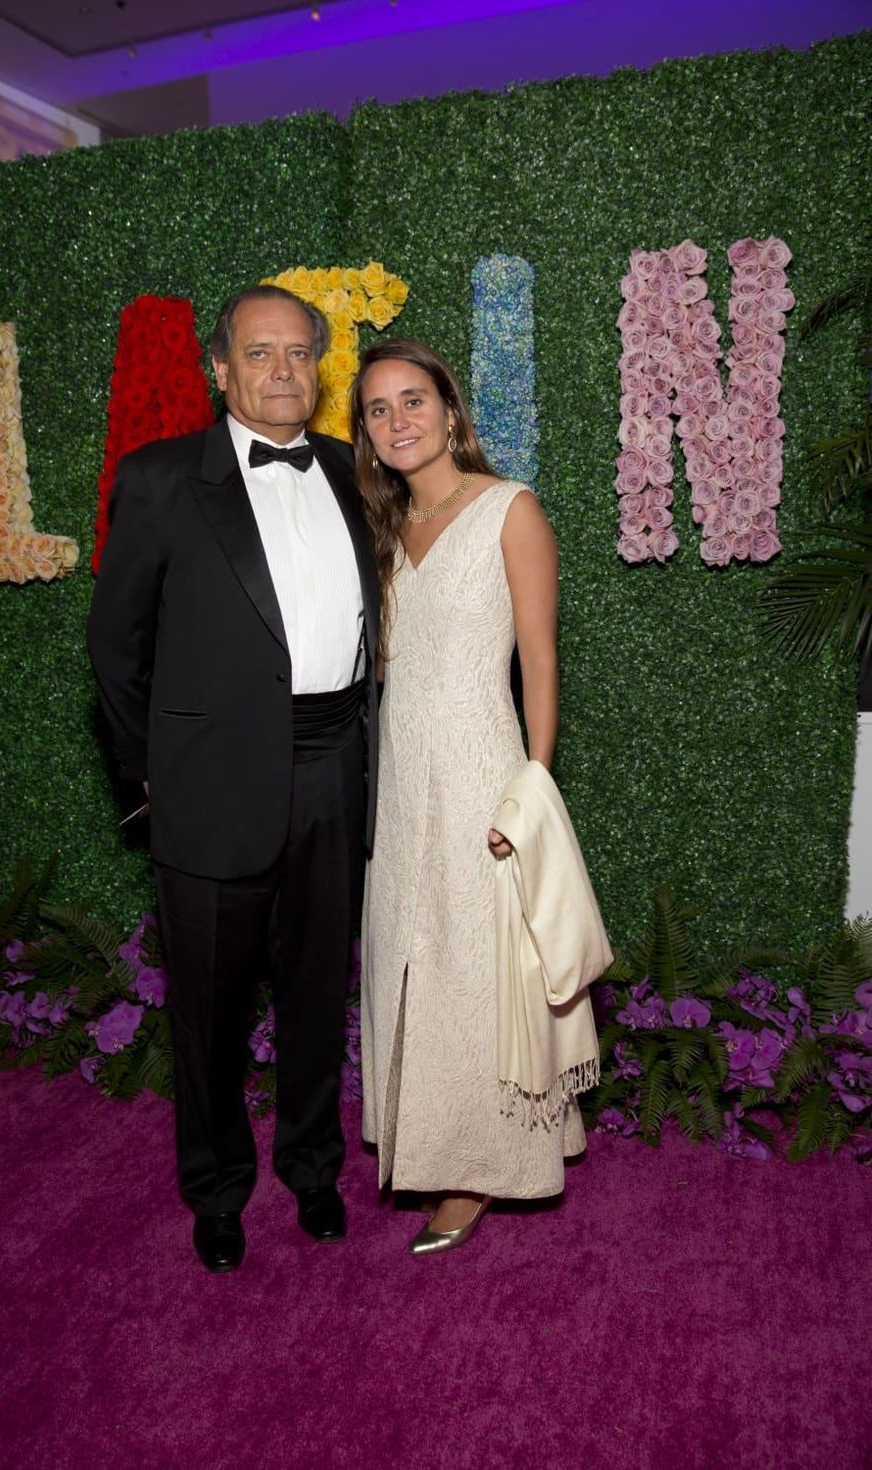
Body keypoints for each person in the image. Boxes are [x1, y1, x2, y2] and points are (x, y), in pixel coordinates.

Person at [87, 285, 380, 1273]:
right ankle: (215, 1190)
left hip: (334, 763)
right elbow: (114, 652)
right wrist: (151, 780)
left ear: (320, 366)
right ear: (220, 369)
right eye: (260, 354)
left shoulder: (351, 470)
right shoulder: (162, 480)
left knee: (313, 990)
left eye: (299, 354)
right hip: (210, 783)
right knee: (207, 1006)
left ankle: (310, 1168)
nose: (282, 372)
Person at [353, 338, 593, 1256]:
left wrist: (530, 790)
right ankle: (427, 1137)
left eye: (413, 400)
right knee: (408, 956)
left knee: (477, 969)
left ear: (450, 412)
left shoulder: (510, 509)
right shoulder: (381, 530)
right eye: (378, 409)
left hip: (480, 771)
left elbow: (539, 658)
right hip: (400, 779)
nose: (399, 419)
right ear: (369, 436)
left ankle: (484, 1167)